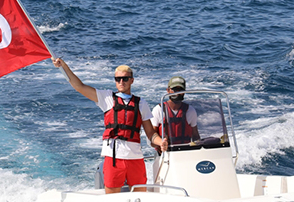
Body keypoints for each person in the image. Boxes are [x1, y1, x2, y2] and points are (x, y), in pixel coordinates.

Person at [52, 58, 167, 194]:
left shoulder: (141, 103)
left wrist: (161, 142)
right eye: (117, 79)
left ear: (132, 80)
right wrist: (63, 66)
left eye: (125, 79)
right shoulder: (106, 98)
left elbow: (150, 134)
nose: (121, 82)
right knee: (111, 200)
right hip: (114, 158)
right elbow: (79, 87)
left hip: (135, 158)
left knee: (140, 198)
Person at [151, 75, 200, 150]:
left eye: (180, 90)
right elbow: (152, 137)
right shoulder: (158, 110)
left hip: (185, 153)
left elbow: (195, 136)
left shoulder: (190, 111)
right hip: (164, 153)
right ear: (168, 90)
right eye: (175, 89)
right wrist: (161, 143)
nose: (177, 93)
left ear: (184, 92)